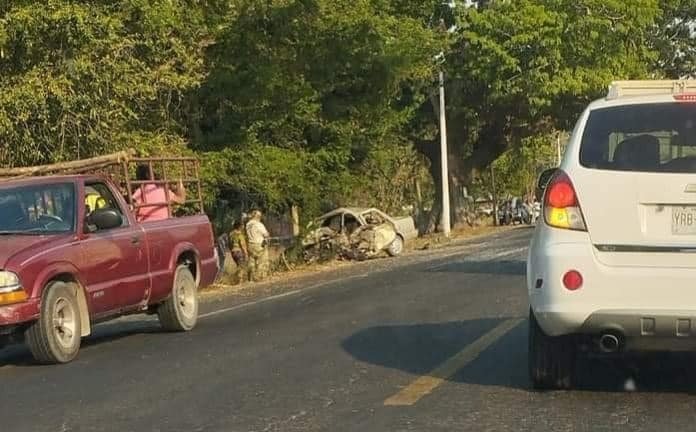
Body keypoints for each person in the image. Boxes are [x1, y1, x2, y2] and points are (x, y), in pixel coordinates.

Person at [245, 210, 270, 282]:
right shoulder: (259, 224)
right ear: (258, 217)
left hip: (250, 244)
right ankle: (260, 277)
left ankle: (250, 278)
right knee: (262, 261)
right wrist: (268, 234)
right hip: (259, 244)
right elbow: (265, 234)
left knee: (251, 261)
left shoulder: (248, 224)